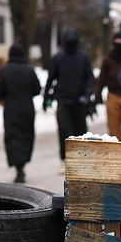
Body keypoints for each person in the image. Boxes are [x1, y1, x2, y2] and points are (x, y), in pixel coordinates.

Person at [44, 28, 97, 164]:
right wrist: (46, 97)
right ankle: (65, 158)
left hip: (80, 101)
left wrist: (87, 94)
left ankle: (81, 158)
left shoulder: (83, 58)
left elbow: (90, 78)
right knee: (64, 130)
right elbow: (51, 78)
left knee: (80, 131)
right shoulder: (58, 58)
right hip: (63, 100)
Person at [0, 44, 41, 183]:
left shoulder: (4, 71)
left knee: (13, 137)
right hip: (27, 109)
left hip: (11, 109)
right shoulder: (30, 70)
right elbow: (37, 89)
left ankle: (18, 168)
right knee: (26, 136)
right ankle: (23, 164)